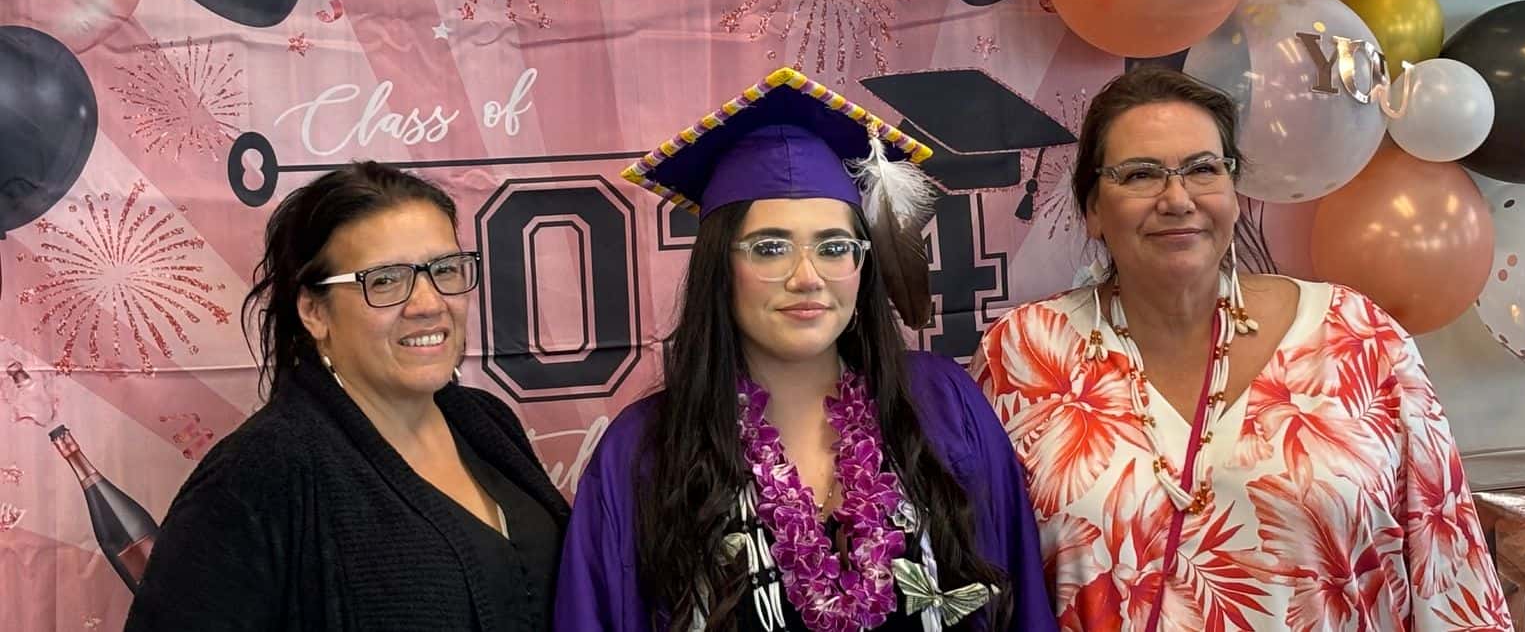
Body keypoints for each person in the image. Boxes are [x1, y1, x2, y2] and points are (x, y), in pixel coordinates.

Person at [972, 67, 1511, 631]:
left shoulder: (1356, 335)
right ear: (1093, 209)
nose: (1177, 199)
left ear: (1233, 190)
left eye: (1204, 169)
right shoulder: (1022, 353)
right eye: (1139, 175)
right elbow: (985, 578)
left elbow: (1449, 573)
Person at [556, 67, 1052, 631]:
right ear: (721, 267)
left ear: (861, 267)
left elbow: (1021, 603)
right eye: (770, 248)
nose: (807, 277)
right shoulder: (642, 453)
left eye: (834, 246)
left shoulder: (942, 405)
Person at [126, 162, 570, 631]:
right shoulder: (262, 471)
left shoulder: (485, 422)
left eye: (444, 269)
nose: (428, 303)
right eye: (384, 280)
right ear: (314, 312)